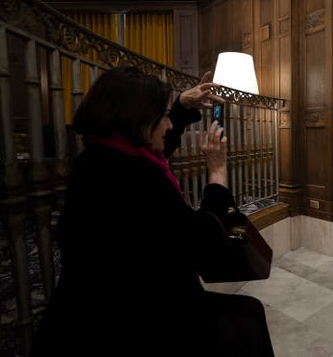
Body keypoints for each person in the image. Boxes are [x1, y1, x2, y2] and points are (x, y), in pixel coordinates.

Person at [30, 66, 275, 356]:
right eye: (162, 117)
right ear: (137, 121)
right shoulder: (136, 178)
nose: (169, 125)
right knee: (248, 317)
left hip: (96, 311)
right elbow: (207, 245)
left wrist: (181, 106)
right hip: (135, 325)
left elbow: (150, 152)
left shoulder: (96, 158)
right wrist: (218, 173)